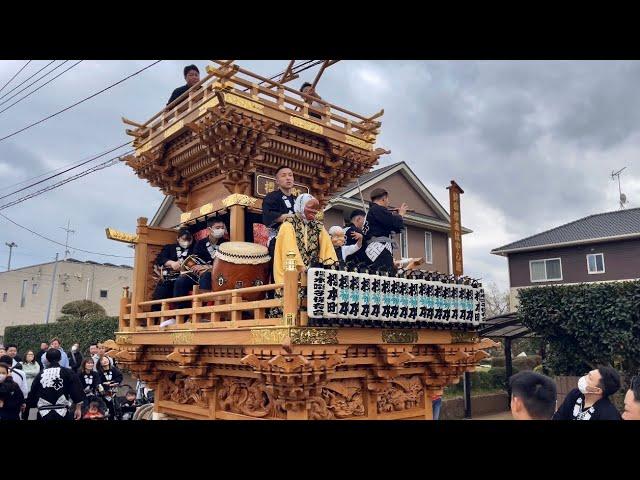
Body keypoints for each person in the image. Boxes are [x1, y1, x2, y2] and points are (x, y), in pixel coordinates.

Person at [168, 219, 228, 320]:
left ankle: (203, 313)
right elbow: (193, 260)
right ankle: (181, 315)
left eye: (222, 228)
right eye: (217, 228)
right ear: (209, 230)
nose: (221, 230)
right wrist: (195, 267)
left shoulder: (226, 244)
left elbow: (226, 264)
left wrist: (208, 267)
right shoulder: (200, 243)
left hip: (217, 274)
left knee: (206, 276)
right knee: (181, 281)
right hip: (198, 273)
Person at [272, 193, 337, 285]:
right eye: (310, 208)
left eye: (315, 209)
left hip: (313, 278)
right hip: (292, 277)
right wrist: (302, 268)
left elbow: (328, 249)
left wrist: (330, 268)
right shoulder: (288, 225)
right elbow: (289, 250)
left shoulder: (318, 227)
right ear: (300, 206)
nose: (314, 211)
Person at [26, 348, 84, 421]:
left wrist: (31, 417)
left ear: (47, 359)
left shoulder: (40, 375)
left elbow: (32, 396)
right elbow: (76, 391)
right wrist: (78, 408)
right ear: (60, 358)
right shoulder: (68, 372)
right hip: (62, 413)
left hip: (43, 414)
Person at [363, 187, 408, 273]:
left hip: (373, 248)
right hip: (379, 247)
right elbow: (394, 223)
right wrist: (401, 215)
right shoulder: (377, 209)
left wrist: (393, 216)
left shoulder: (372, 211)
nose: (388, 201)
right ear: (384, 198)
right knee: (384, 273)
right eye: (387, 199)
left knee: (378, 274)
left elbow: (388, 223)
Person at [151, 228, 196, 312]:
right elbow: (160, 259)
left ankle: (180, 315)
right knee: (161, 289)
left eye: (189, 240)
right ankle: (153, 317)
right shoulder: (169, 248)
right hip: (170, 277)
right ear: (178, 238)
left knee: (181, 284)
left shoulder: (194, 249)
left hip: (186, 278)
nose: (186, 242)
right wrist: (171, 263)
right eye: (184, 239)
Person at [553, 366, 621, 420]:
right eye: (587, 374)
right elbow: (559, 416)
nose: (584, 378)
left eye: (589, 378)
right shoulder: (575, 395)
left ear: (597, 390)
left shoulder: (609, 414)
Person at [262, 166, 298, 258]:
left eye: (290, 175)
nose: (288, 178)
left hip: (297, 240)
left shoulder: (298, 200)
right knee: (282, 269)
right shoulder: (271, 197)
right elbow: (268, 216)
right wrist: (289, 216)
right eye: (283, 175)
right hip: (278, 239)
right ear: (277, 181)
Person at [96, 355, 123, 420]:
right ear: (100, 363)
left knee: (116, 408)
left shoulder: (114, 369)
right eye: (102, 360)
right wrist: (104, 384)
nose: (105, 361)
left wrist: (113, 382)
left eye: (106, 359)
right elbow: (98, 382)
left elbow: (119, 377)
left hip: (113, 392)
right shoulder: (99, 372)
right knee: (106, 409)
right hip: (103, 394)